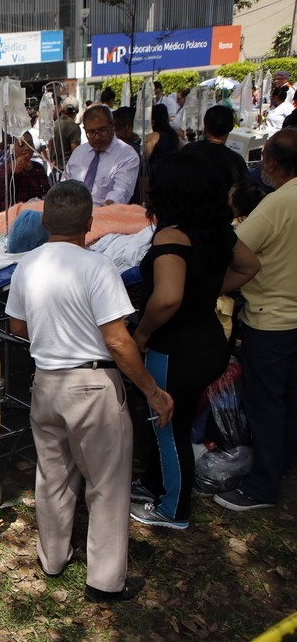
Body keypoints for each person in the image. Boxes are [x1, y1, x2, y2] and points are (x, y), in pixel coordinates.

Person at [5, 180, 173, 603]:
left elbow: (18, 327)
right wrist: (153, 391)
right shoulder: (97, 267)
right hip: (92, 385)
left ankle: (53, 558)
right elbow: (118, 340)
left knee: (53, 477)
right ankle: (104, 580)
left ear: (44, 221)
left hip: (46, 383)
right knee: (107, 484)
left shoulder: (27, 265)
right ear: (90, 223)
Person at [129, 153, 259, 530]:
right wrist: (205, 291)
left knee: (170, 430)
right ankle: (153, 484)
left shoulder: (172, 237)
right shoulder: (217, 230)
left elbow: (167, 298)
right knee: (173, 423)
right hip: (209, 341)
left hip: (176, 350)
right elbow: (250, 266)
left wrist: (142, 332)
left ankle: (174, 510)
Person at [215, 128, 297, 512]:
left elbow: (237, 248)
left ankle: (262, 485)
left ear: (274, 164)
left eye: (263, 159)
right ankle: (281, 465)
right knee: (288, 399)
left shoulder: (278, 203)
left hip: (273, 318)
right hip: (287, 316)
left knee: (266, 403)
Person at [62, 105, 140, 206]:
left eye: (102, 130)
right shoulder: (79, 152)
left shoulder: (127, 155)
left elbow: (120, 194)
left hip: (107, 215)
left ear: (113, 126)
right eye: (91, 132)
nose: (97, 137)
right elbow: (63, 185)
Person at [179, 104, 248, 196]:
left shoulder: (188, 150)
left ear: (205, 127)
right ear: (230, 128)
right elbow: (244, 193)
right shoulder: (235, 160)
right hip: (220, 208)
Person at [0, 132, 51, 212]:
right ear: (12, 148)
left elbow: (47, 191)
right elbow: (8, 174)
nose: (27, 148)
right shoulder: (3, 168)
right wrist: (20, 163)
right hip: (11, 218)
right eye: (21, 145)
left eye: (30, 144)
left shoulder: (38, 167)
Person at [144, 104, 180, 179]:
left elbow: (144, 160)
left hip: (156, 175)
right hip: (173, 173)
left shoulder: (153, 136)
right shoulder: (174, 134)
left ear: (153, 121)